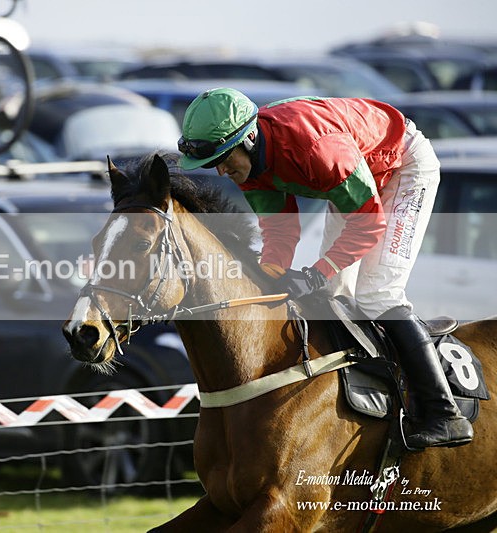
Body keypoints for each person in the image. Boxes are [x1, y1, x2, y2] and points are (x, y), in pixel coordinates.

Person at [176, 87, 472, 449]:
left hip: (403, 166)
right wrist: (269, 275)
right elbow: (280, 228)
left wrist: (317, 272)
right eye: (212, 164)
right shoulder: (250, 163)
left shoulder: (316, 149)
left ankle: (446, 413)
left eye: (224, 158)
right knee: (335, 296)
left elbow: (368, 222)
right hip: (356, 175)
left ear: (250, 138)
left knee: (377, 294)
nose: (222, 171)